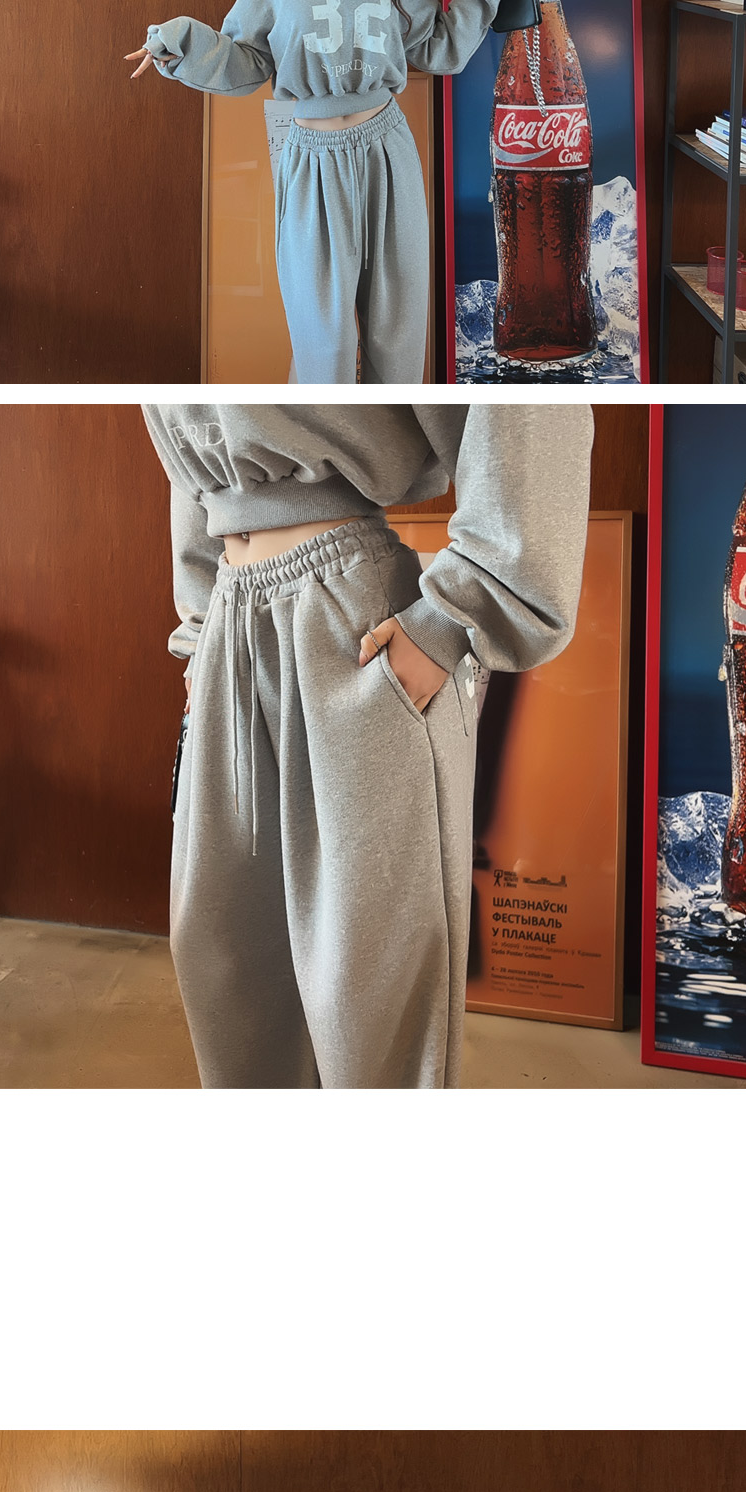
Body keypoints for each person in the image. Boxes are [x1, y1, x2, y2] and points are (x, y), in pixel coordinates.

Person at [143, 395, 594, 1088]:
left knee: (369, 1008)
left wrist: (451, 621)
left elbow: (527, 405)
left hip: (352, 628)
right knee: (225, 968)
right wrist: (203, 632)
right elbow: (198, 459)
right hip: (230, 620)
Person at [128, 0, 503, 385]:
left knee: (398, 326)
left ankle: (392, 438)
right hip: (313, 160)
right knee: (321, 336)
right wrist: (180, 42)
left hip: (387, 151)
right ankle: (328, 439)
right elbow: (246, 62)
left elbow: (439, 47)